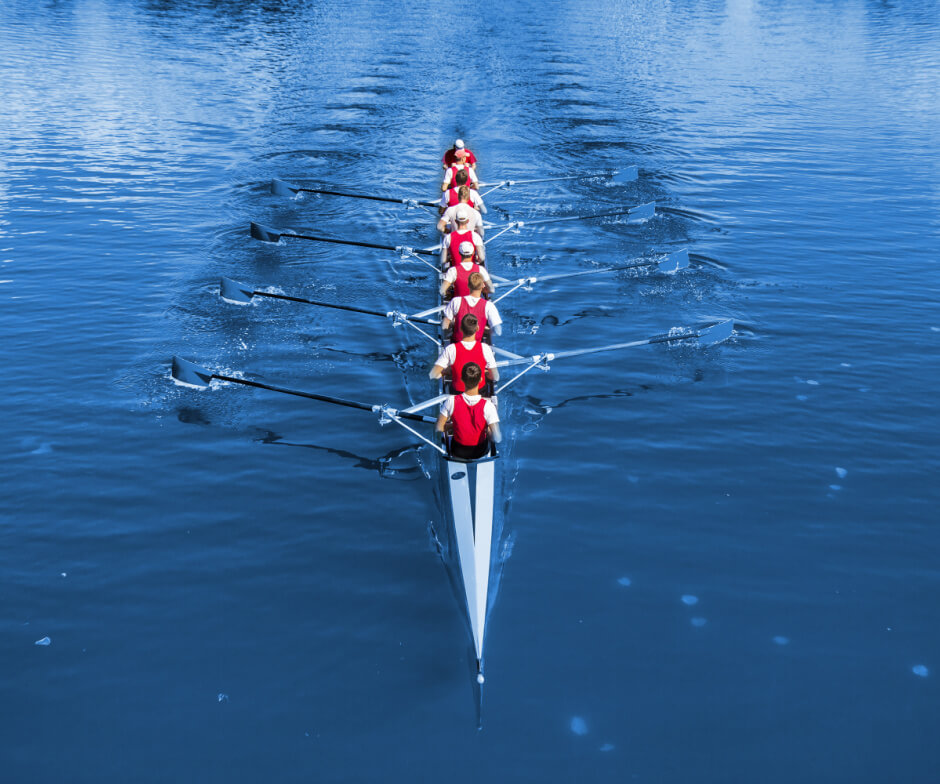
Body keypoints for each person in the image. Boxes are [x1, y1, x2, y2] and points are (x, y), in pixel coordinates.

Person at [436, 362, 501, 461]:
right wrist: (487, 430)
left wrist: (454, 426)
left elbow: (439, 427)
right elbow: (497, 438)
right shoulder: (488, 406)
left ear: (462, 379)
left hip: (458, 451)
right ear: (480, 380)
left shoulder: (451, 401)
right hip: (480, 451)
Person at [430, 313, 499, 392]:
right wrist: (483, 372)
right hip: (480, 391)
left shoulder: (451, 349)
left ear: (460, 329)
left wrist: (449, 371)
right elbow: (495, 376)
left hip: (457, 392)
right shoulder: (486, 348)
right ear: (477, 328)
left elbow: (434, 374)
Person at [442, 272, 502, 342]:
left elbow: (445, 325)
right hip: (477, 345)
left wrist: (446, 336)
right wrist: (484, 330)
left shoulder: (456, 301)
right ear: (483, 285)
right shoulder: (489, 306)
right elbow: (498, 332)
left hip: (457, 344)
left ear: (468, 285)